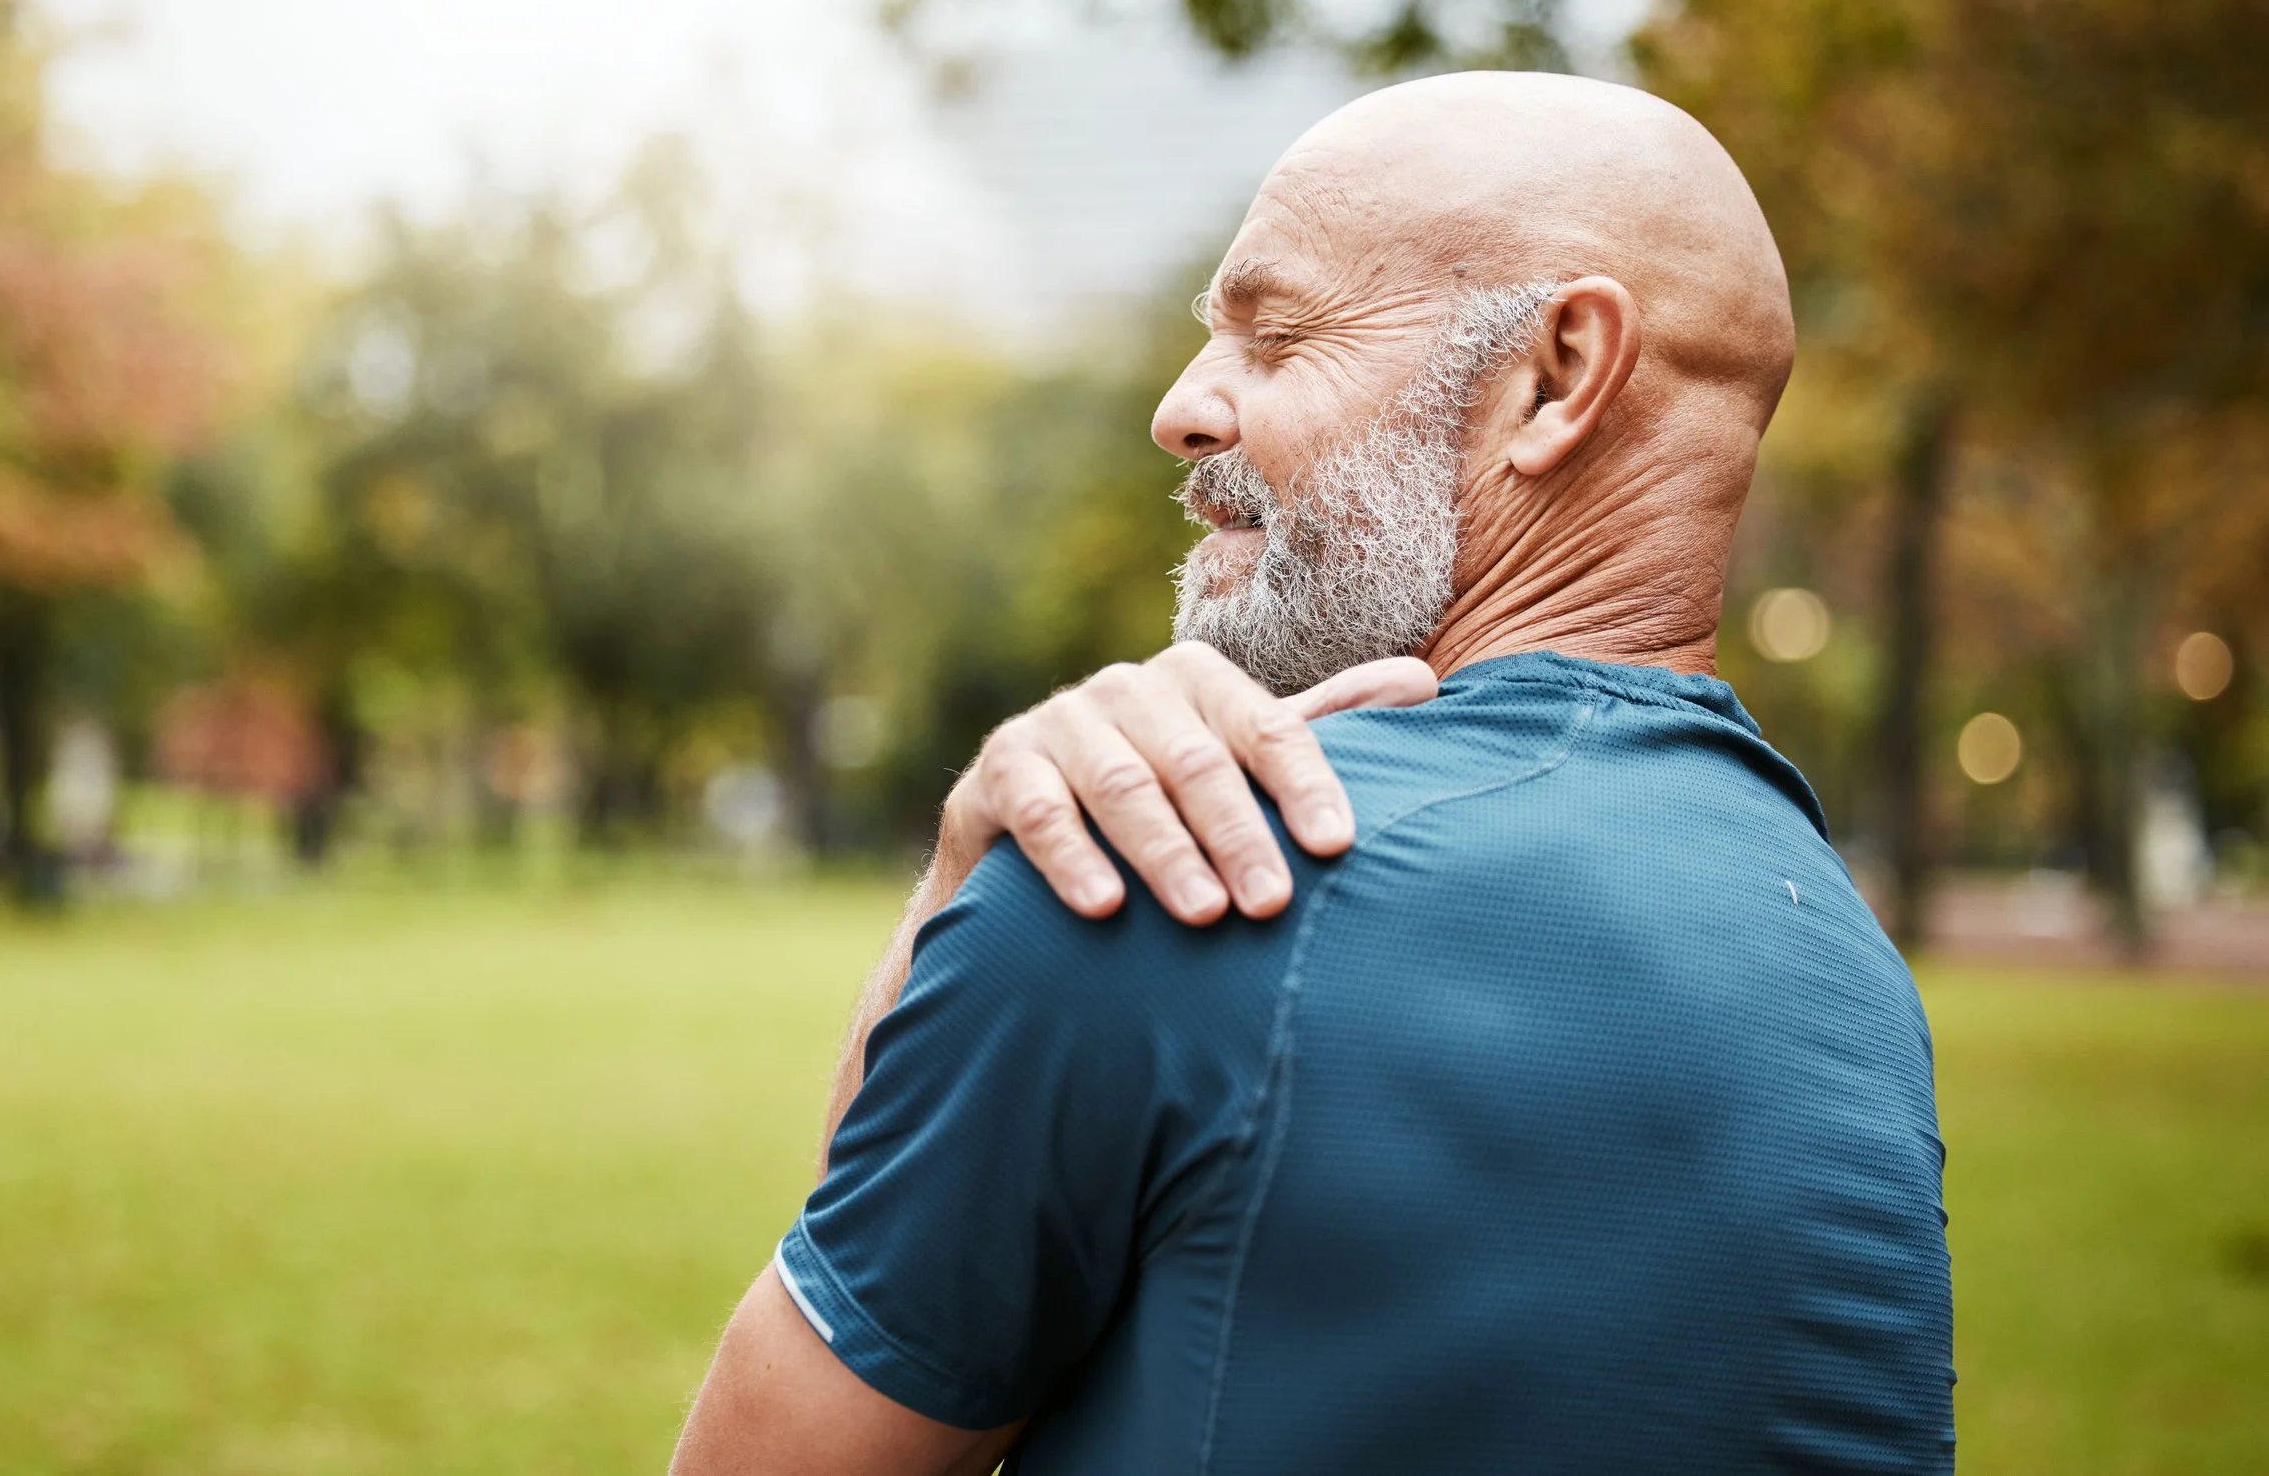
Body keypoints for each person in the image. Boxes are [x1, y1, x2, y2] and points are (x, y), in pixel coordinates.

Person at [671, 72, 1956, 1474]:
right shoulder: (1852, 983)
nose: (1181, 408)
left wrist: (985, 883)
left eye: (1275, 334)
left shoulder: (1176, 873)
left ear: (1558, 373)